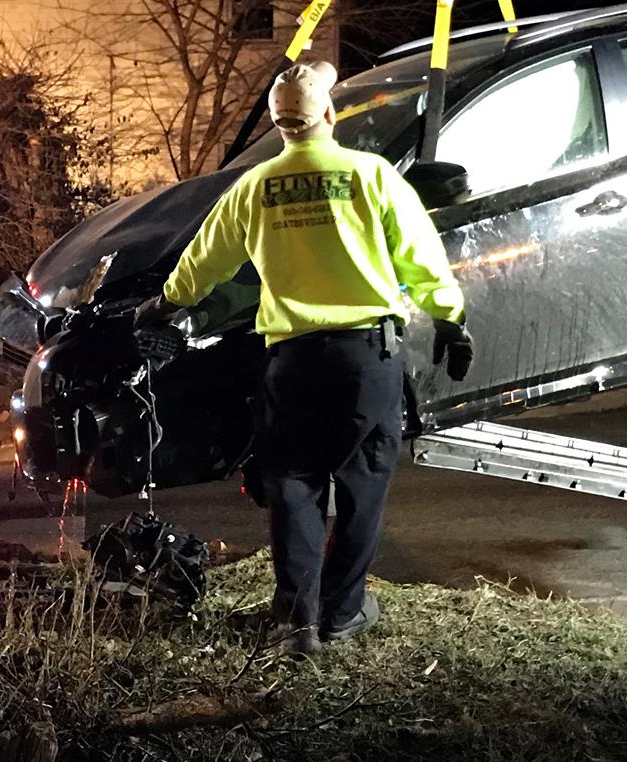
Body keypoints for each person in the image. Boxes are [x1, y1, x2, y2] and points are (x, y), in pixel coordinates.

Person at [140, 60, 471, 658]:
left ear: (278, 122)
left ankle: (298, 624)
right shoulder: (372, 175)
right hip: (367, 356)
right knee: (362, 488)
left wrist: (164, 304)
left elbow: (204, 261)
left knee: (294, 485)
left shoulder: (255, 186)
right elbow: (421, 256)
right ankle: (343, 613)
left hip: (291, 362)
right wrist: (450, 317)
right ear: (329, 113)